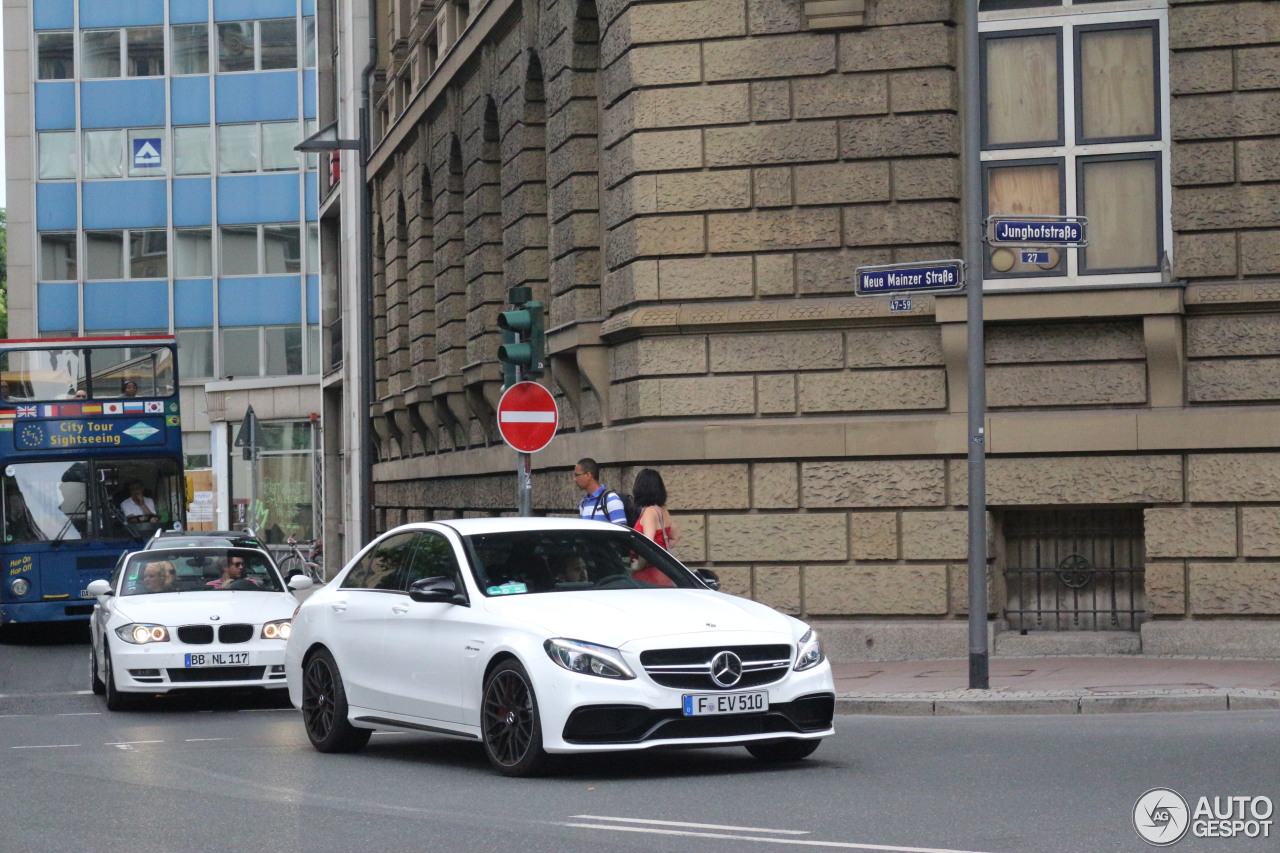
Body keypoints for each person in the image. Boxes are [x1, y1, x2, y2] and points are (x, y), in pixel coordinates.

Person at [630, 468, 678, 587]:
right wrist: (661, 547)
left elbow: (647, 543)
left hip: (648, 575)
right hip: (664, 572)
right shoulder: (663, 510)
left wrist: (638, 565)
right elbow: (675, 536)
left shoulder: (649, 512)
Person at [573, 458, 628, 525]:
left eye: (577, 475)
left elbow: (621, 532)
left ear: (588, 475)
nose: (574, 479)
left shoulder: (611, 499)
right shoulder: (583, 502)